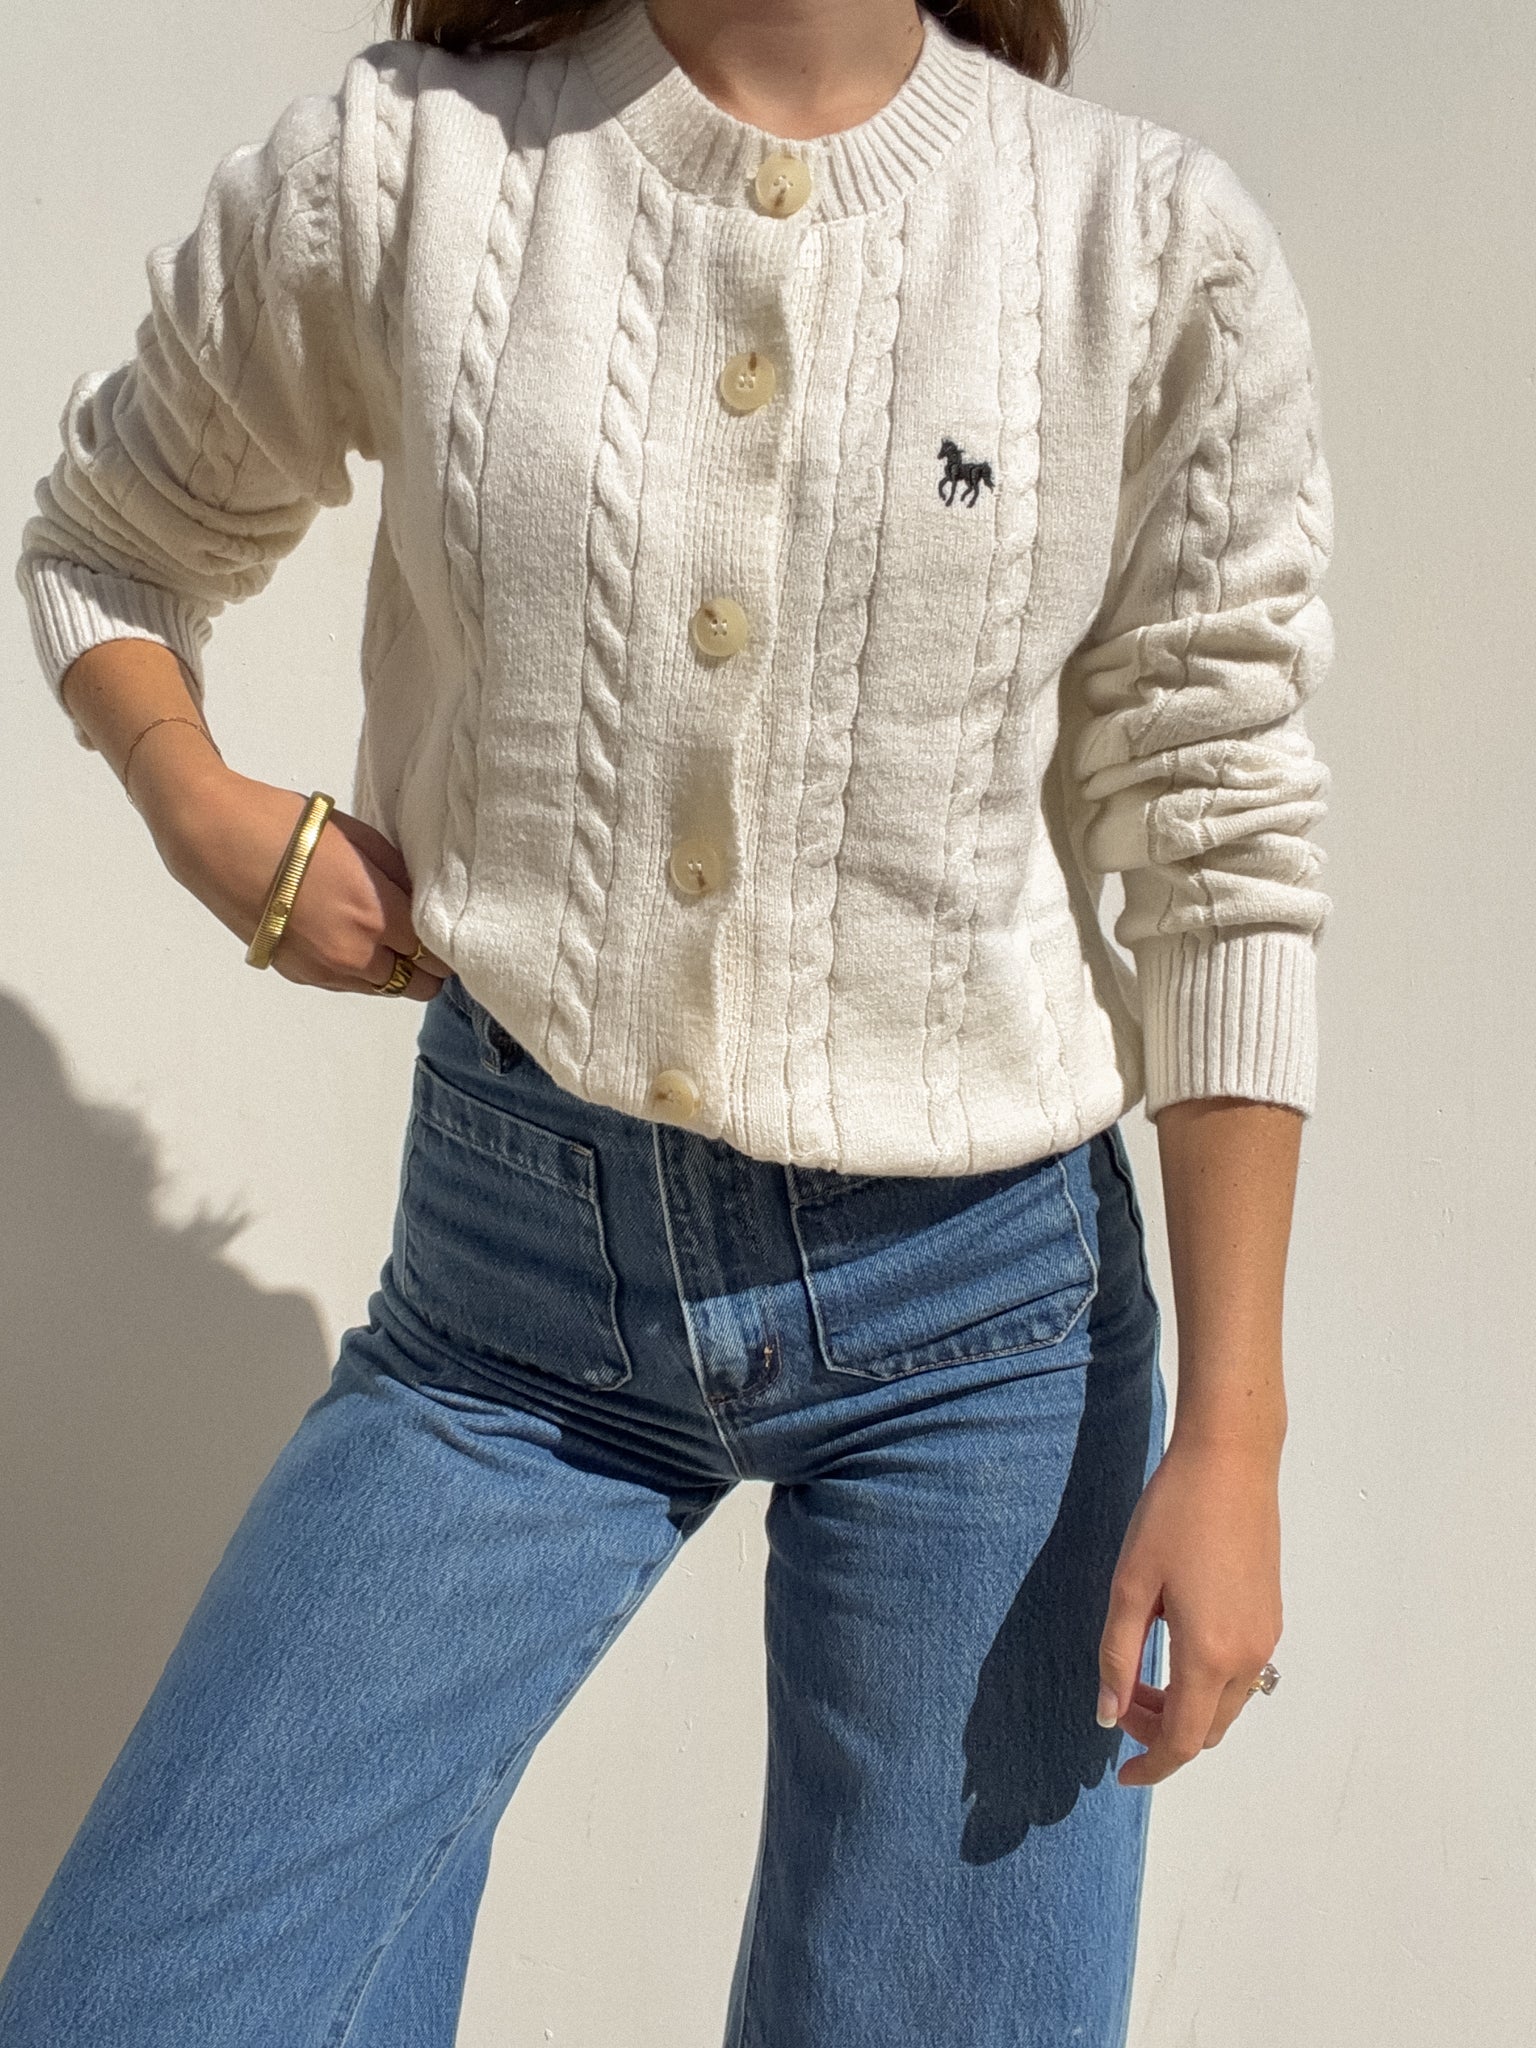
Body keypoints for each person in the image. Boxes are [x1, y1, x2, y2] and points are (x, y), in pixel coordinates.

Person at [0, 0, 1330, 2039]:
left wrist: (1233, 1430)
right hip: (511, 1293)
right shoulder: (413, 168)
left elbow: (1220, 831)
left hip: (991, 1331)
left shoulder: (1138, 243)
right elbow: (108, 537)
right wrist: (206, 813)